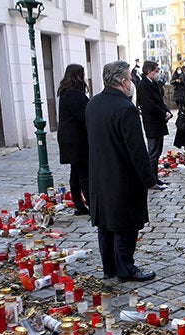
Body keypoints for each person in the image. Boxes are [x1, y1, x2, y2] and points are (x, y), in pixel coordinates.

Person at [85, 61, 158, 282]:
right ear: (123, 81)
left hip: (99, 174)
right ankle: (125, 268)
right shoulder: (126, 108)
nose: (131, 83)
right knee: (125, 224)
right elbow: (137, 149)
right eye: (129, 78)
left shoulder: (93, 104)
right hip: (122, 175)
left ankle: (109, 267)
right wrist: (149, 179)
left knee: (105, 224)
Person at [57, 64, 91, 216]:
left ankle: (79, 205)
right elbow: (84, 115)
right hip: (77, 139)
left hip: (69, 138)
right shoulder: (73, 93)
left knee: (76, 171)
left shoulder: (66, 91)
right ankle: (89, 202)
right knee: (83, 172)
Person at [136, 60, 172, 184]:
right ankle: (151, 180)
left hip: (159, 122)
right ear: (149, 72)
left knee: (157, 151)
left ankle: (155, 178)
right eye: (156, 71)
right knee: (153, 152)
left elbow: (160, 102)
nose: (158, 73)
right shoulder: (143, 85)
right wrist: (163, 115)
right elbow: (149, 105)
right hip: (152, 122)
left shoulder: (154, 84)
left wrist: (167, 112)